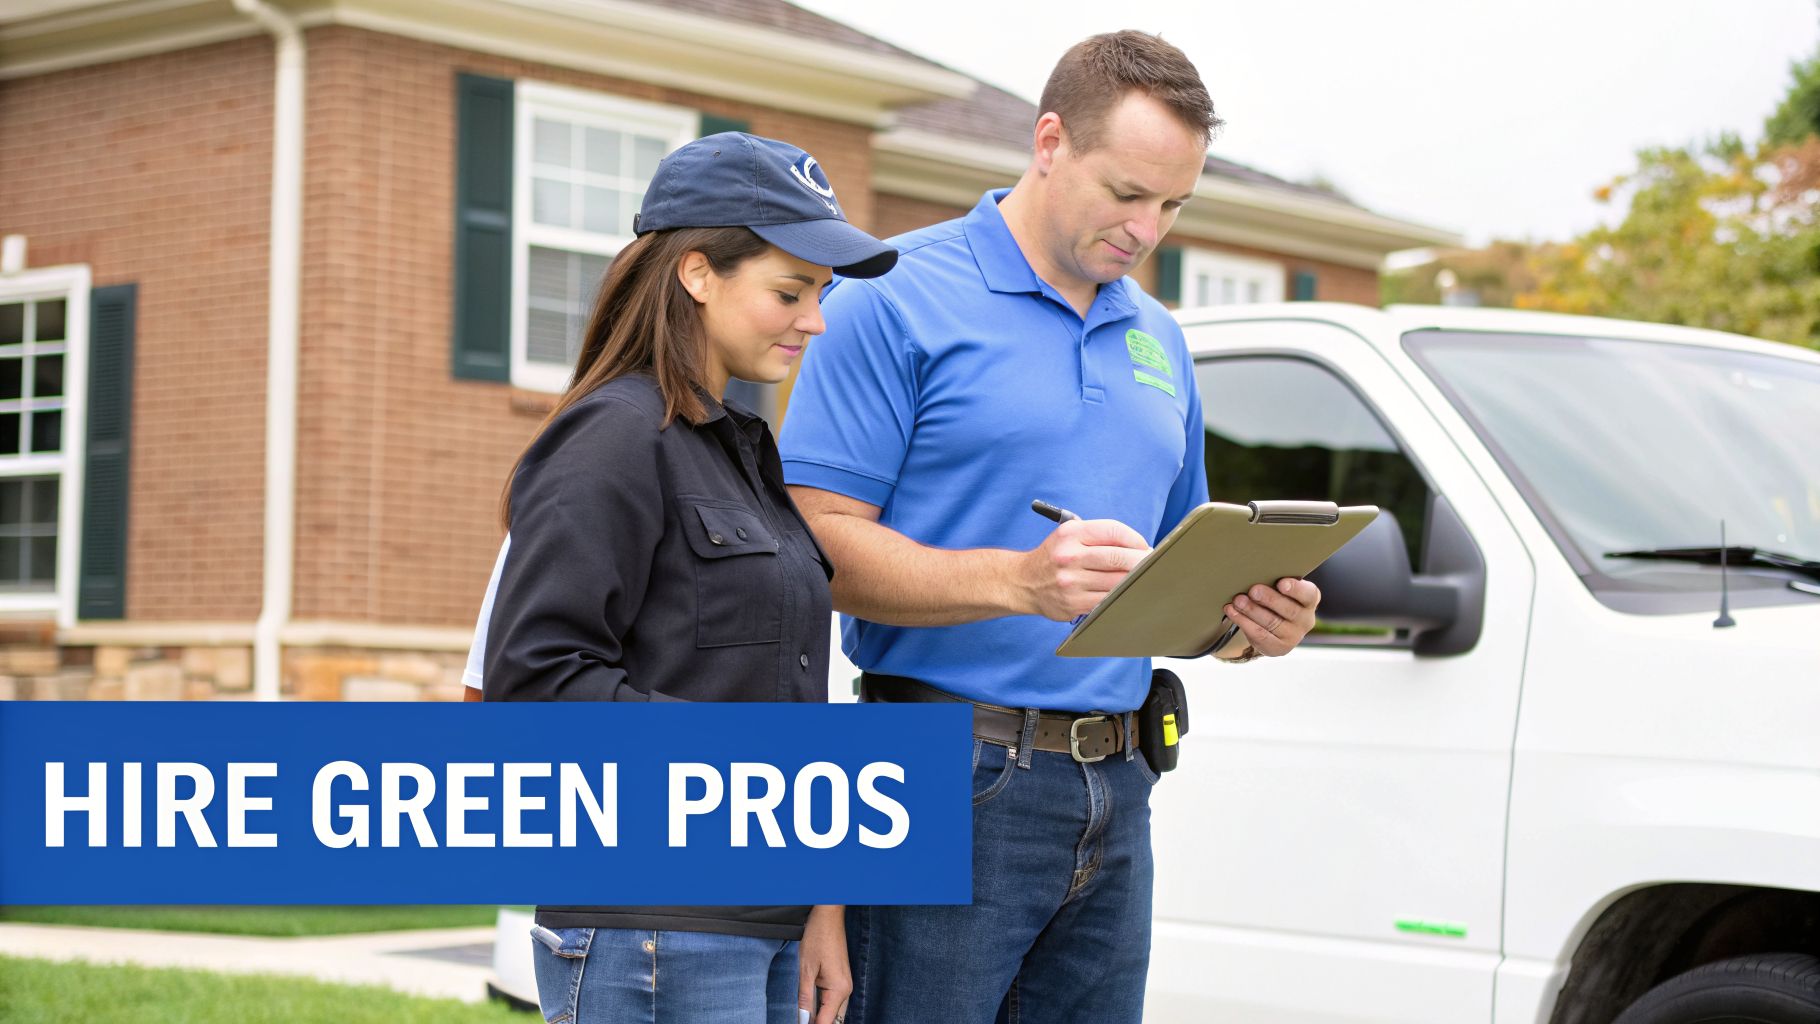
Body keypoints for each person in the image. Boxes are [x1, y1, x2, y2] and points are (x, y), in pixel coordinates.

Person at [776, 31, 1323, 1024]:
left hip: (1118, 785)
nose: (1145, 228)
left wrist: (1247, 626)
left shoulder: (1159, 340)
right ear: (1048, 141)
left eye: (1172, 205)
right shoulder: (890, 296)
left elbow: (1167, 581)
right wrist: (1016, 581)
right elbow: (811, 544)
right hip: (941, 774)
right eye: (1125, 193)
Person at [483, 131, 896, 1024]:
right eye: (789, 292)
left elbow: (785, 696)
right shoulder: (612, 438)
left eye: (819, 295)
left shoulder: (741, 452)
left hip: (759, 922)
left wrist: (820, 903)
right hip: (650, 931)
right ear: (698, 274)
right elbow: (539, 684)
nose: (814, 320)